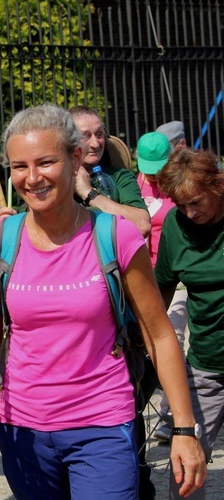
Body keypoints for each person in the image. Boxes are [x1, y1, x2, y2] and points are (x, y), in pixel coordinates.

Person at [0, 103, 205, 498]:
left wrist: (185, 430)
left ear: (74, 160)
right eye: (19, 166)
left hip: (102, 425)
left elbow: (159, 335)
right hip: (22, 430)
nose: (31, 178)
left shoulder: (115, 236)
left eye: (45, 162)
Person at [155, 147, 224, 500]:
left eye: (196, 202)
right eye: (181, 205)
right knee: (186, 461)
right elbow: (162, 289)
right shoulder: (176, 225)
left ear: (218, 185)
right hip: (207, 364)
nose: (190, 212)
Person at [135, 128, 188, 444]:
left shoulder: (179, 184)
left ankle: (171, 414)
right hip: (143, 278)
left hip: (174, 278)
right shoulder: (132, 184)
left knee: (174, 337)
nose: (154, 177)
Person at [68, 106, 151, 237]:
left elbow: (142, 225)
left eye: (99, 134)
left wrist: (88, 193)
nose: (95, 144)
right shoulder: (58, 179)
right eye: (85, 136)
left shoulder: (119, 176)